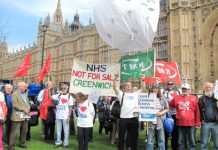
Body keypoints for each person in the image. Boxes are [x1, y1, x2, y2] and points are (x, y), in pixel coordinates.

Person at [113, 74, 145, 150]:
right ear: (124, 87)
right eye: (127, 85)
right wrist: (116, 79)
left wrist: (143, 79)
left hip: (134, 119)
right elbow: (115, 88)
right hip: (123, 119)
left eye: (130, 85)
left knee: (134, 138)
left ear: (131, 87)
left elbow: (143, 88)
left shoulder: (136, 94)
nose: (128, 86)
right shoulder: (122, 94)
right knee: (121, 137)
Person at [169, 83, 200, 150]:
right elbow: (168, 104)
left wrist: (197, 122)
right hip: (180, 123)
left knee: (192, 140)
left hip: (191, 123)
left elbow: (197, 111)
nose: (184, 90)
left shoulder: (194, 98)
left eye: (186, 89)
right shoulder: (176, 97)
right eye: (183, 89)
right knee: (181, 141)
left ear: (189, 90)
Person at [8, 82, 31, 150]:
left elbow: (27, 103)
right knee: (14, 132)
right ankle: (11, 146)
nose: (25, 88)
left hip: (25, 115)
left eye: (25, 87)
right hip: (17, 115)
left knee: (24, 130)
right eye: (24, 86)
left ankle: (22, 143)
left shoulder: (25, 93)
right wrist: (24, 109)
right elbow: (15, 105)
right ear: (19, 86)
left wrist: (28, 109)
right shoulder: (14, 94)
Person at [146, 84, 169, 150]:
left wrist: (161, 113)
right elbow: (144, 107)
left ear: (158, 89)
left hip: (160, 121)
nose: (155, 89)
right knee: (150, 139)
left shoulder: (163, 97)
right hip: (151, 120)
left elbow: (167, 108)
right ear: (151, 89)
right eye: (154, 88)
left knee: (161, 139)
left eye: (156, 88)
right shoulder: (148, 97)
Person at [52, 83, 74, 148]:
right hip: (58, 116)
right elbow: (51, 97)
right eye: (62, 88)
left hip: (65, 116)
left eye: (64, 88)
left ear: (67, 89)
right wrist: (48, 89)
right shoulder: (59, 95)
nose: (63, 89)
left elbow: (70, 107)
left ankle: (66, 143)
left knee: (66, 131)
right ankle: (58, 142)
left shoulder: (70, 97)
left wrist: (69, 116)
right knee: (58, 130)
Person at [161, 80, 180, 150]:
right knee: (165, 132)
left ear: (174, 85)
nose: (170, 85)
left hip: (175, 114)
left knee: (175, 132)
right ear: (167, 85)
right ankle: (164, 147)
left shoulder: (178, 91)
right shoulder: (163, 91)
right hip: (165, 114)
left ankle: (175, 147)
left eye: (172, 84)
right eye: (169, 84)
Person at [198, 82, 218, 150]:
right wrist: (201, 119)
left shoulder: (216, 98)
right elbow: (199, 110)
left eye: (210, 87)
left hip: (216, 123)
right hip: (205, 123)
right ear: (204, 88)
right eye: (206, 87)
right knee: (204, 142)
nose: (208, 89)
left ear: (212, 88)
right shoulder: (201, 98)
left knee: (217, 142)